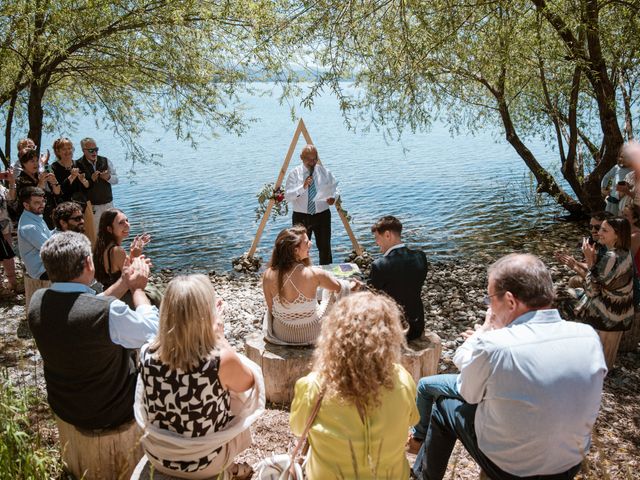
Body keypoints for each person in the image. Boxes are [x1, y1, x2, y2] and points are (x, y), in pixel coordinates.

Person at [412, 253, 607, 480]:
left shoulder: (495, 345)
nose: (489, 306)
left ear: (511, 301)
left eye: (490, 299)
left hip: (511, 469)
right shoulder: (588, 336)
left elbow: (469, 395)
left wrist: (483, 333)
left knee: (444, 406)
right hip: (569, 463)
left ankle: (422, 476)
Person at [134, 275, 262, 480]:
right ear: (205, 316)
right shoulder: (218, 361)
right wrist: (220, 339)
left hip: (159, 456)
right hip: (205, 463)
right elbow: (249, 383)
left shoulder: (146, 353)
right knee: (236, 395)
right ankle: (229, 470)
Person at [28, 231, 158, 431]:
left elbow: (86, 305)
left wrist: (124, 281)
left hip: (65, 406)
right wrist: (137, 289)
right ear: (89, 263)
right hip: (112, 410)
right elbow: (152, 331)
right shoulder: (107, 312)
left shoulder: (37, 300)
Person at [290, 292, 419, 479]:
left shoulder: (313, 385)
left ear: (334, 336)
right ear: (390, 336)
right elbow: (413, 420)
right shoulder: (402, 379)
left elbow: (298, 428)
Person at [262, 225, 356, 345]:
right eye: (306, 242)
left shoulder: (268, 274)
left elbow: (271, 308)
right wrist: (352, 285)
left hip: (282, 333)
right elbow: (340, 288)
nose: (310, 244)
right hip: (312, 333)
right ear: (295, 250)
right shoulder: (314, 273)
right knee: (331, 291)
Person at [369, 215, 428, 341]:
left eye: (376, 238)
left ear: (388, 235)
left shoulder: (379, 265)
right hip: (417, 326)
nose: (376, 243)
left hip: (393, 329)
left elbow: (372, 297)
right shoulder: (420, 257)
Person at [574, 217, 635, 332]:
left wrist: (589, 259)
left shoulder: (610, 257)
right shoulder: (626, 252)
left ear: (617, 235)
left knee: (559, 297)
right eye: (600, 229)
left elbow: (591, 291)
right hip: (624, 311)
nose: (599, 233)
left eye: (604, 231)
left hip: (608, 316)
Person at [284, 144, 337, 265]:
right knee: (299, 248)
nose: (313, 162)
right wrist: (302, 188)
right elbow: (288, 196)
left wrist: (333, 198)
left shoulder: (324, 172)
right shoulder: (294, 174)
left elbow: (335, 188)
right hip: (301, 216)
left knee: (325, 247)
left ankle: (326, 276)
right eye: (309, 160)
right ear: (301, 158)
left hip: (322, 215)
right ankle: (301, 274)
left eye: (315, 159)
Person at [93, 208, 151, 305]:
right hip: (123, 298)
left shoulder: (102, 248)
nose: (127, 225)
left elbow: (121, 272)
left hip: (110, 293)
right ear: (109, 229)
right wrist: (136, 255)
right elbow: (134, 277)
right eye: (121, 223)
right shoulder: (117, 251)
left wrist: (132, 253)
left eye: (127, 221)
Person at [555, 211, 613, 288]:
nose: (592, 230)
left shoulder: (612, 252)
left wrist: (575, 266)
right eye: (590, 227)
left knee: (574, 281)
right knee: (574, 280)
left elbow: (597, 283)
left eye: (597, 228)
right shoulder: (603, 245)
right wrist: (572, 261)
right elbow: (595, 268)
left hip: (608, 291)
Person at [17, 187, 54, 308]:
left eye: (43, 201)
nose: (42, 205)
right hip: (41, 269)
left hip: (46, 263)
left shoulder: (35, 217)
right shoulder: (29, 227)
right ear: (26, 205)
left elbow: (49, 236)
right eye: (37, 203)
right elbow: (51, 248)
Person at [76, 137, 118, 231]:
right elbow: (78, 189)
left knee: (112, 231)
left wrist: (108, 177)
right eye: (91, 150)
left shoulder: (105, 160)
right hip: (91, 207)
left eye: (96, 149)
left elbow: (116, 180)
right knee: (96, 234)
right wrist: (90, 180)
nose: (94, 152)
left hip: (109, 204)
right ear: (83, 151)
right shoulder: (77, 164)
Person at [15, 147, 61, 228]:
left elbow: (57, 192)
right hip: (34, 221)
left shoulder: (40, 175)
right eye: (32, 161)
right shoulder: (21, 180)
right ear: (24, 163)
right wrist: (41, 182)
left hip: (50, 215)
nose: (36, 164)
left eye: (37, 161)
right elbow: (34, 197)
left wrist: (54, 181)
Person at [0, 167, 20, 294]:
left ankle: (13, 284)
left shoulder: (1, 187)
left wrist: (12, 182)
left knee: (8, 255)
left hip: (5, 225)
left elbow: (11, 198)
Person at [51, 137, 89, 204]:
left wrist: (83, 181)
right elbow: (59, 191)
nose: (68, 151)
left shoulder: (79, 164)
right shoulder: (54, 168)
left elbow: (88, 186)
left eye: (69, 148)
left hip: (82, 205)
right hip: (65, 206)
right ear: (58, 151)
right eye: (64, 149)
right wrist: (71, 177)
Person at [601, 147, 632, 215]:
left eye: (626, 157)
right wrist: (606, 188)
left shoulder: (634, 170)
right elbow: (609, 178)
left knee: (617, 220)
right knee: (608, 217)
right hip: (612, 199)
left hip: (625, 202)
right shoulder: (617, 167)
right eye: (621, 157)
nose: (623, 159)